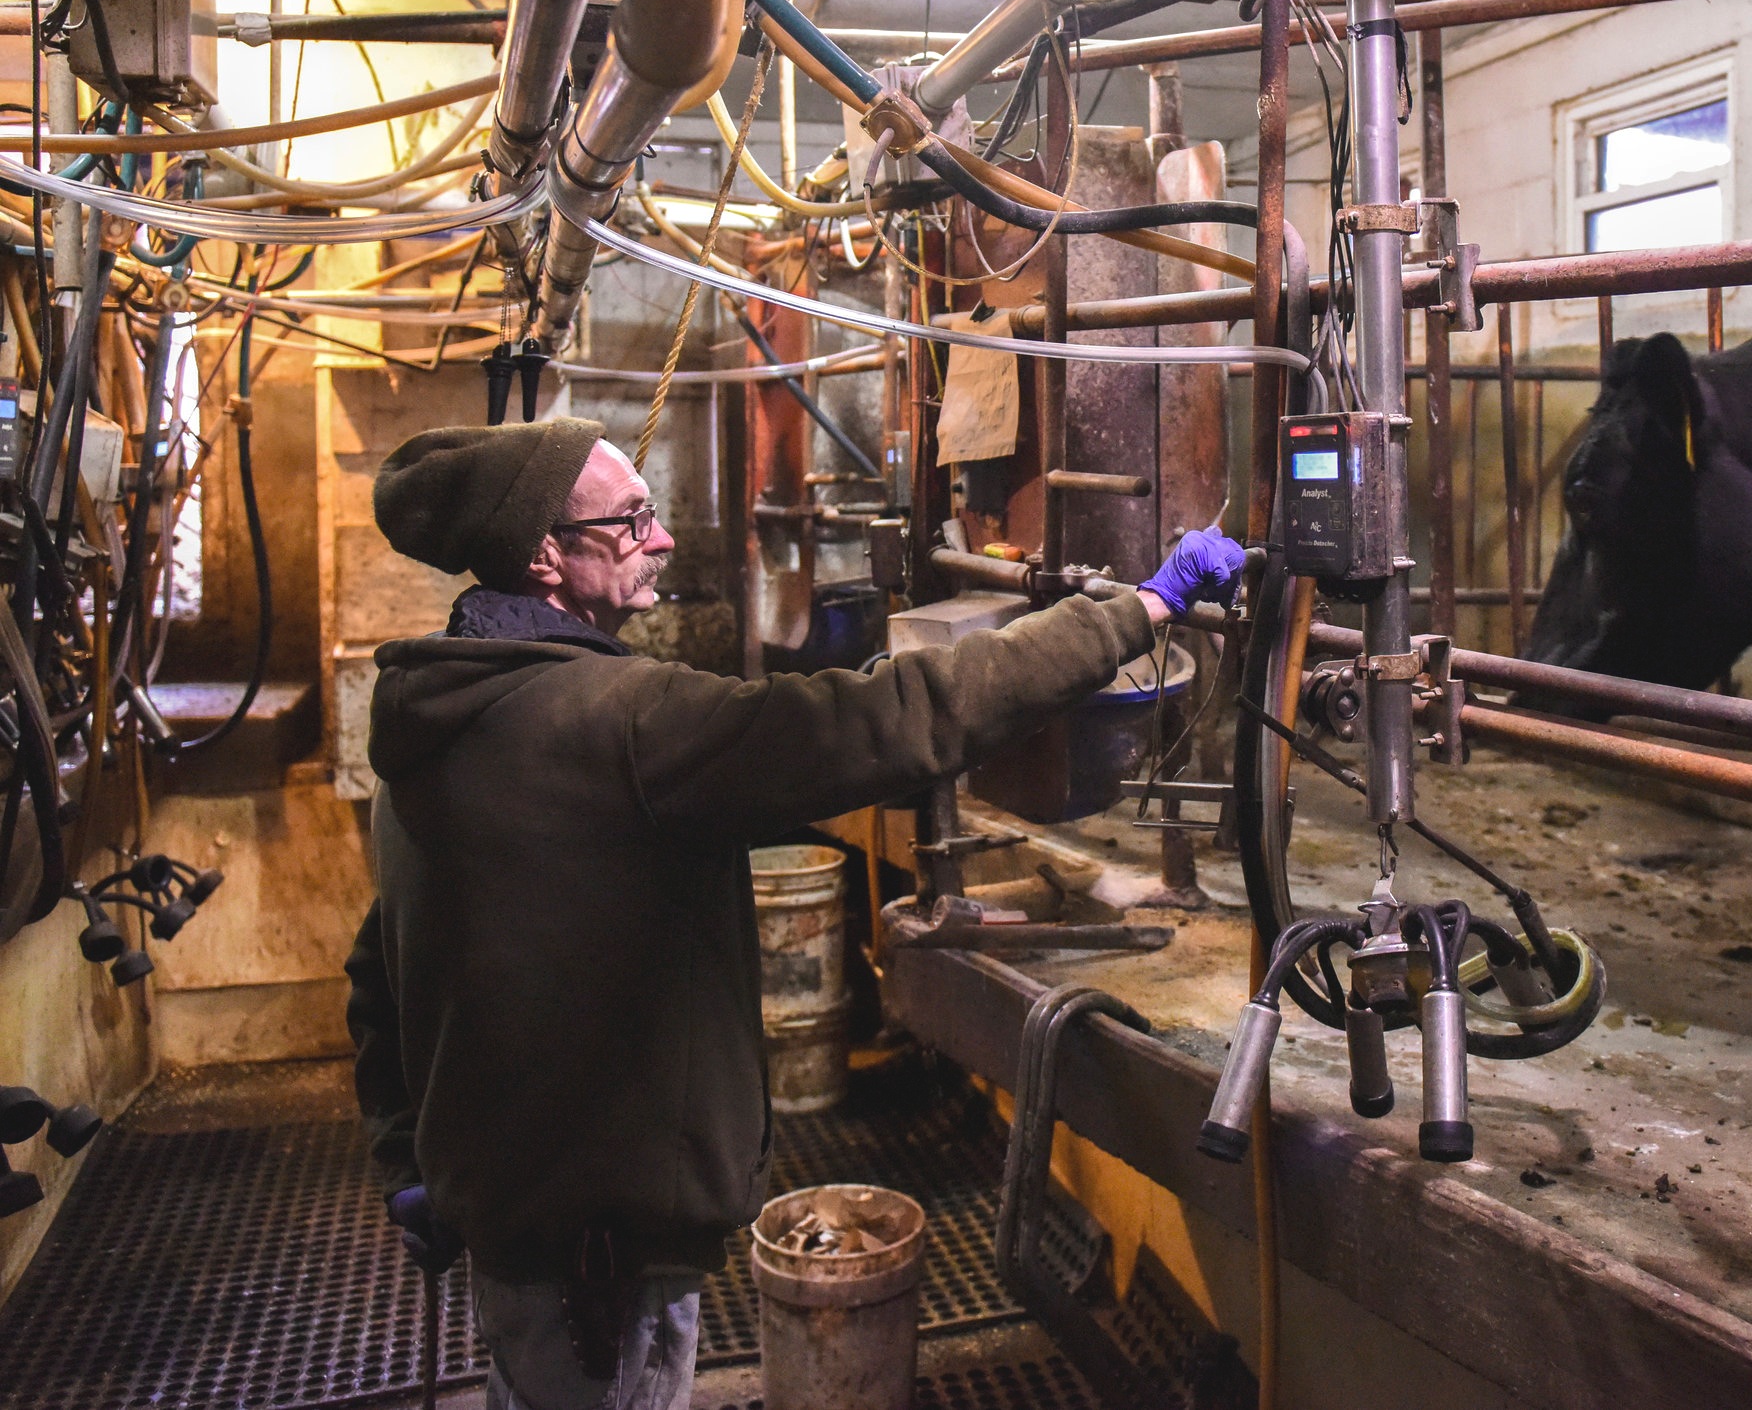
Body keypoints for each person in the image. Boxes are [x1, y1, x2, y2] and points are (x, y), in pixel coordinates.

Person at [343, 418, 1242, 1410]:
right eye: (632, 521)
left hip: (510, 1224)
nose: (664, 540)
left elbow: (377, 968)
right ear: (546, 556)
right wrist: (1138, 609)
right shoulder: (623, 723)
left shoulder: (428, 726)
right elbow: (889, 719)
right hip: (604, 1262)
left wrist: (406, 1158)